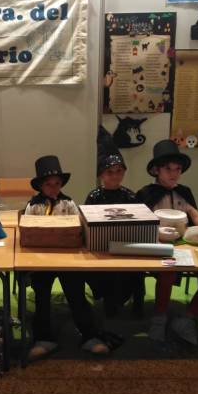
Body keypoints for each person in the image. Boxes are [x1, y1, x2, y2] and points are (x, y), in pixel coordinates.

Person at [137, 140, 198, 345]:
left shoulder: (183, 191)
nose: (174, 174)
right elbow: (139, 222)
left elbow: (193, 213)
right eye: (168, 169)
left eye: (177, 169)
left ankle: (188, 317)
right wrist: (155, 231)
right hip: (159, 245)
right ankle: (159, 318)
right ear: (156, 170)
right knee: (169, 271)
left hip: (187, 245)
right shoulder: (146, 193)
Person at [25, 155, 110, 359]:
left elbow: (78, 229)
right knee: (41, 296)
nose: (53, 188)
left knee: (76, 294)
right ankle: (44, 338)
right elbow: (27, 231)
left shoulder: (69, 203)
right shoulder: (33, 206)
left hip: (67, 258)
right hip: (41, 259)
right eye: (48, 184)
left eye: (57, 183)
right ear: (40, 186)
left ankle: (89, 335)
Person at [84, 126, 137, 318]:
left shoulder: (130, 196)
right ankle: (107, 299)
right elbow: (86, 223)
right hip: (100, 245)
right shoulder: (94, 196)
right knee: (101, 271)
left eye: (119, 171)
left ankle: (122, 299)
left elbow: (137, 222)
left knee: (128, 272)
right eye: (110, 172)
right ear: (101, 174)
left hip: (125, 245)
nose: (115, 175)